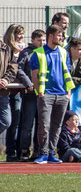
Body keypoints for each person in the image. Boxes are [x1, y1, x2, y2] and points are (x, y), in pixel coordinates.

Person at [30, 24, 72, 164]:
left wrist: (68, 93)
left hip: (62, 94)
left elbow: (67, 73)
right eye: (59, 35)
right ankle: (43, 152)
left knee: (57, 125)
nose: (62, 38)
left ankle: (53, 152)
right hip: (46, 94)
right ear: (51, 36)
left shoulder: (64, 52)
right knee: (44, 125)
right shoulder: (38, 53)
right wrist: (39, 92)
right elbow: (34, 75)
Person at [16, 29, 45, 161]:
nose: (42, 42)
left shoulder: (46, 53)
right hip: (30, 94)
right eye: (39, 40)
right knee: (27, 124)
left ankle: (38, 151)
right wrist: (29, 83)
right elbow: (19, 69)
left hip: (43, 93)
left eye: (44, 40)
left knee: (41, 124)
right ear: (33, 40)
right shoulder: (26, 52)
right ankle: (24, 151)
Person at [3, 24, 25, 162]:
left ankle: (18, 150)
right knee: (10, 123)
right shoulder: (7, 49)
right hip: (8, 91)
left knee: (18, 122)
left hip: (20, 91)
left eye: (22, 33)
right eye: (18, 33)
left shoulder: (23, 50)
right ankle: (10, 151)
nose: (21, 36)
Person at [0, 30, 19, 159]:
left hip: (3, 92)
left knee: (6, 121)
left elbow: (13, 67)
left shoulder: (6, 48)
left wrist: (6, 79)